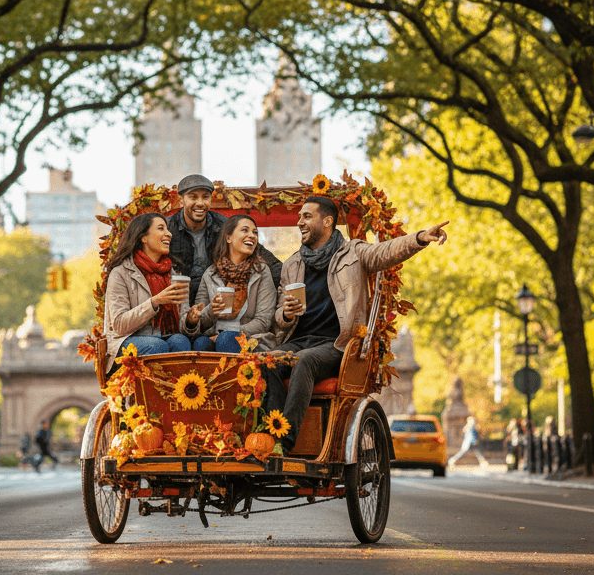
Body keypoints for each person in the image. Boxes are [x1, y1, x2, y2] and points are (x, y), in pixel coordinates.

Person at [262, 197, 448, 454]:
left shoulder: (355, 252)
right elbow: (279, 321)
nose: (299, 222)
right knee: (264, 361)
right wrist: (286, 313)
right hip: (300, 340)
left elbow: (386, 252)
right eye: (299, 216)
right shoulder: (292, 264)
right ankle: (265, 434)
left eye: (306, 216)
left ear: (327, 221)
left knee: (305, 360)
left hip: (338, 346)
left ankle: (283, 442)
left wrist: (418, 239)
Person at [167, 174, 281, 305]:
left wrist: (288, 283)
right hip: (178, 302)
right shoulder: (167, 228)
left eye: (205, 197)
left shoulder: (223, 226)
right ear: (181, 200)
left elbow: (261, 255)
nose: (200, 203)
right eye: (193, 197)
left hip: (217, 300)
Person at [104, 213, 202, 359]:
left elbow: (183, 326)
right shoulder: (121, 273)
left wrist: (190, 321)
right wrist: (154, 302)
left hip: (163, 336)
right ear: (143, 237)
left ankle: (175, 382)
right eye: (161, 228)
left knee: (181, 341)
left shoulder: (174, 273)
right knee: (157, 346)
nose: (168, 234)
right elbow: (119, 325)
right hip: (124, 341)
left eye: (167, 229)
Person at [184, 214, 278, 353]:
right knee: (200, 343)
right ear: (228, 238)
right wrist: (211, 311)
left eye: (255, 232)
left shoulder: (261, 271)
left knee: (227, 339)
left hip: (251, 340)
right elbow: (200, 321)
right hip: (215, 337)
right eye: (245, 230)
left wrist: (226, 334)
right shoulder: (210, 273)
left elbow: (263, 321)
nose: (252, 235)